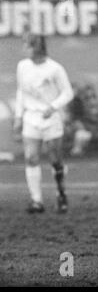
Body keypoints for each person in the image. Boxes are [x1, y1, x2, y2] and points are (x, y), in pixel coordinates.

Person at [13, 33, 74, 214]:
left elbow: (67, 93)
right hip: (31, 118)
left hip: (50, 119)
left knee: (55, 160)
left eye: (27, 45)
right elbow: (21, 92)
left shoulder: (55, 69)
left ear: (37, 46)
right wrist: (18, 116)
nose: (24, 48)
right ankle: (36, 200)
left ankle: (61, 194)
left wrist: (53, 107)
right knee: (31, 158)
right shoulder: (22, 66)